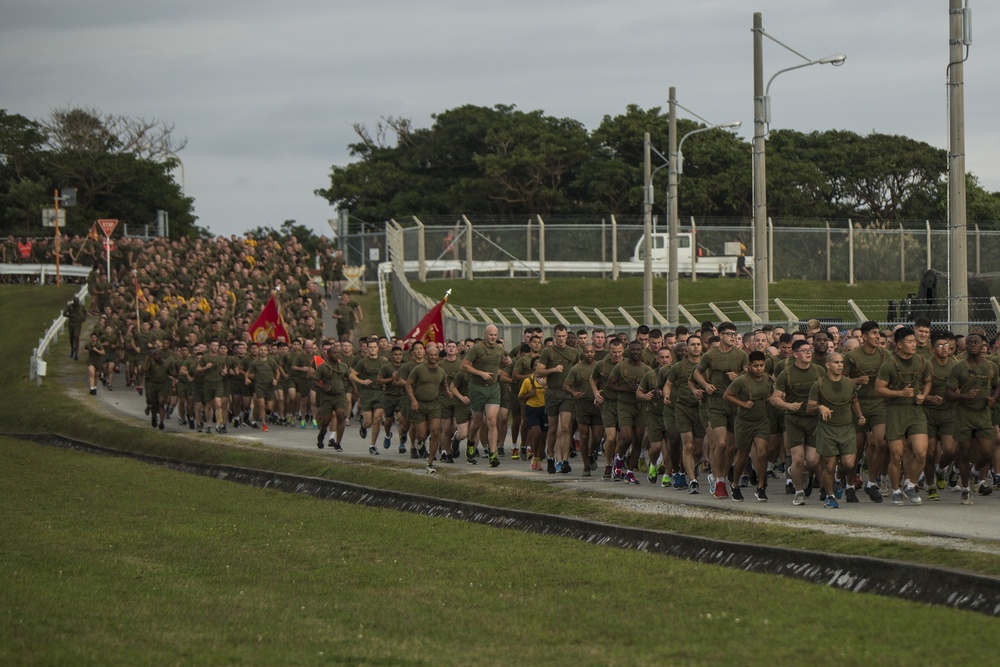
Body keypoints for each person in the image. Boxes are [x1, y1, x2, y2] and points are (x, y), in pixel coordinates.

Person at [875, 327, 931, 506]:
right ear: (899, 345)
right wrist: (900, 393)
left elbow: (928, 381)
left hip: (915, 410)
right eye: (910, 342)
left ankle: (910, 483)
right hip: (895, 410)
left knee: (922, 452)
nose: (914, 344)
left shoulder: (922, 361)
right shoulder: (889, 364)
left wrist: (923, 394)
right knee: (896, 455)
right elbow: (879, 388)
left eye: (914, 341)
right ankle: (896, 490)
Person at [693, 321, 749, 499]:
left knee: (732, 447)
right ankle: (718, 481)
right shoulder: (711, 355)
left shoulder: (741, 355)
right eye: (730, 334)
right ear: (722, 335)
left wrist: (738, 376)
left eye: (735, 334)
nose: (733, 337)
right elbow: (696, 373)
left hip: (734, 402)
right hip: (716, 402)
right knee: (721, 443)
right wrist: (705, 384)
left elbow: (750, 374)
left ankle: (722, 476)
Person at [945, 330, 999, 504]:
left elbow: (997, 385)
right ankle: (966, 489)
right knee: (965, 452)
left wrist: (993, 398)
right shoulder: (958, 367)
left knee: (988, 451)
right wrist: (964, 396)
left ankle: (976, 472)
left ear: (983, 345)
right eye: (969, 343)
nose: (972, 345)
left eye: (976, 342)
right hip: (965, 414)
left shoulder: (991, 366)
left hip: (983, 413)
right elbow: (949, 393)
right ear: (966, 346)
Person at [772, 339, 825, 506]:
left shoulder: (819, 371)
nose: (808, 352)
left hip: (814, 420)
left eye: (809, 349)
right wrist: (788, 405)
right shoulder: (786, 374)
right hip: (794, 420)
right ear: (795, 354)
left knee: (812, 461)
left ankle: (799, 473)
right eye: (804, 350)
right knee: (797, 459)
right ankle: (799, 492)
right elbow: (775, 399)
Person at [807, 352, 864, 508]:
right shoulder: (818, 384)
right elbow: (809, 408)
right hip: (827, 429)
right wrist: (820, 407)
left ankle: (839, 478)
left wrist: (859, 415)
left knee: (850, 463)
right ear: (827, 365)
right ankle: (830, 496)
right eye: (836, 362)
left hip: (847, 428)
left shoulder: (850, 383)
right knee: (829, 465)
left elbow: (854, 402)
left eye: (841, 362)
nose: (840, 365)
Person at [843, 321, 890, 503]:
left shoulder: (885, 355)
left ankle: (872, 482)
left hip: (878, 403)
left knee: (881, 442)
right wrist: (855, 381)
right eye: (873, 333)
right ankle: (849, 484)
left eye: (878, 333)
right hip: (857, 404)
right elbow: (840, 378)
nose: (877, 336)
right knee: (857, 447)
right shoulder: (853, 356)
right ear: (863, 337)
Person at [724, 350, 774, 502]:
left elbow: (771, 394)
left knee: (763, 452)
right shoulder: (741, 380)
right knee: (742, 456)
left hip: (762, 421)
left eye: (761, 365)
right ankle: (735, 484)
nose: (759, 369)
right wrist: (743, 403)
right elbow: (727, 395)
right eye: (755, 366)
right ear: (749, 366)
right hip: (744, 422)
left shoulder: (767, 379)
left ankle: (760, 487)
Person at [536, 324, 580, 474]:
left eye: (563, 336)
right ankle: (550, 456)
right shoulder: (548, 352)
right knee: (553, 428)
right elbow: (539, 371)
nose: (561, 339)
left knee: (566, 427)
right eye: (558, 336)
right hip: (552, 393)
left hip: (567, 394)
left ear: (567, 336)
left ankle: (565, 460)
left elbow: (578, 369)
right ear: (554, 336)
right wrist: (552, 370)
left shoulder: (573, 352)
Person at [608, 340, 652, 484]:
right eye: (633, 350)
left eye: (638, 350)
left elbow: (652, 386)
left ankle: (630, 471)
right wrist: (626, 389)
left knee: (638, 439)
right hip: (624, 405)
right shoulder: (621, 367)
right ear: (628, 351)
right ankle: (619, 459)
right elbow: (610, 385)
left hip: (640, 406)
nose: (635, 352)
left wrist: (643, 390)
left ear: (641, 351)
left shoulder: (646, 369)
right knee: (626, 437)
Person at [461, 324, 504, 467]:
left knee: (492, 420)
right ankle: (471, 442)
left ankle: (493, 454)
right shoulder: (477, 348)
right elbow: (464, 366)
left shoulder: (499, 349)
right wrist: (481, 373)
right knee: (478, 422)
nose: (493, 337)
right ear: (485, 334)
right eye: (490, 334)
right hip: (477, 388)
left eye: (495, 335)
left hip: (493, 388)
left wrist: (505, 365)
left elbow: (499, 363)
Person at [405, 343, 451, 473]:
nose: (433, 357)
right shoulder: (419, 369)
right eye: (430, 355)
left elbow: (444, 385)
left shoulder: (441, 371)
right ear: (426, 355)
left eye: (435, 355)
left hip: (434, 404)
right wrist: (413, 400)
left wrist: (448, 392)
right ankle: (419, 442)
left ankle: (430, 463)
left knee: (436, 431)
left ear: (438, 356)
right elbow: (408, 384)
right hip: (420, 403)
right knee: (421, 434)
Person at [314, 343, 350, 451]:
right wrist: (322, 386)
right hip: (327, 397)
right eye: (334, 353)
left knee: (340, 415)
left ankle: (338, 443)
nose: (336, 355)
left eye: (338, 353)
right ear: (328, 355)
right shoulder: (322, 367)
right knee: (325, 420)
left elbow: (348, 378)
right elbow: (315, 381)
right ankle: (323, 431)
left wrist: (355, 389)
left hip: (340, 395)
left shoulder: (343, 366)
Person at [518, 357, 548, 471]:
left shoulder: (547, 379)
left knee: (544, 436)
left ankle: (539, 458)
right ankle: (534, 456)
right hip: (532, 409)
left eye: (540, 365)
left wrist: (546, 387)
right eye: (536, 365)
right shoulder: (527, 381)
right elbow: (520, 397)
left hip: (544, 409)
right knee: (537, 432)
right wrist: (530, 394)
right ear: (532, 367)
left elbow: (552, 394)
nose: (538, 367)